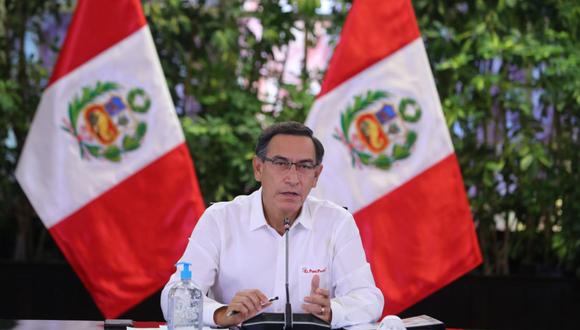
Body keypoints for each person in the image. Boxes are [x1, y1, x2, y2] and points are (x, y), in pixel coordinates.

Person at [161, 121, 384, 328]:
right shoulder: (220, 220)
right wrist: (222, 313)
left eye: (305, 166)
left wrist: (332, 311)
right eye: (281, 164)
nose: (293, 178)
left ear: (316, 176)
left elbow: (369, 298)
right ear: (258, 168)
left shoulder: (336, 222)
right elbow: (174, 297)